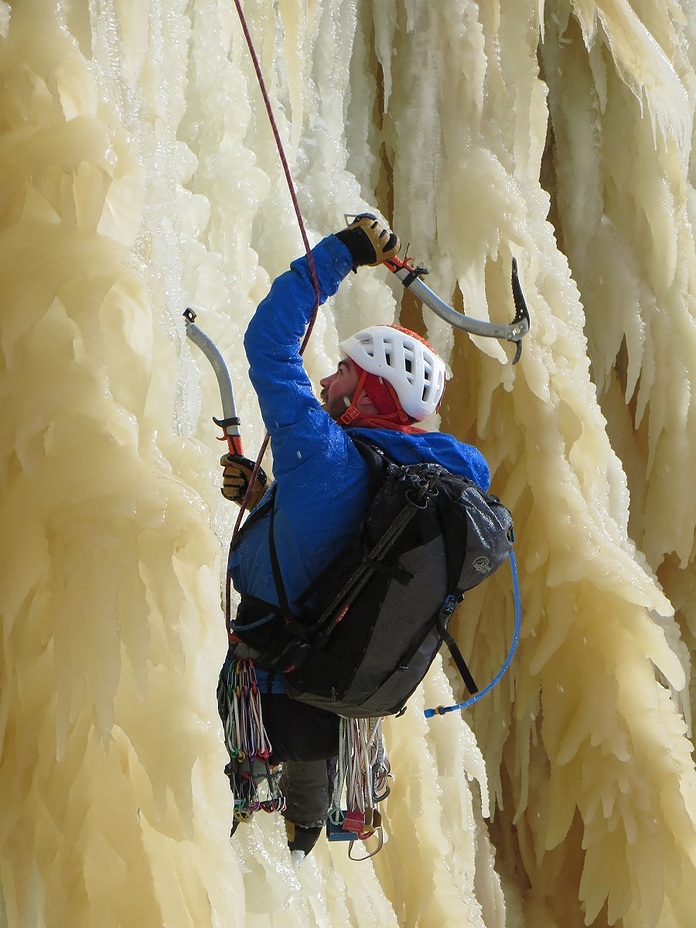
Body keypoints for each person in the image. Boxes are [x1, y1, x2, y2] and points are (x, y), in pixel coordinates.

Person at [218, 214, 491, 858]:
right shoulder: (405, 479)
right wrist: (267, 503)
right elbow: (336, 546)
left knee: (239, 837)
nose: (325, 381)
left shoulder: (326, 455)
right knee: (294, 841)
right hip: (336, 706)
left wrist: (346, 251)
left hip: (265, 694)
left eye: (341, 372)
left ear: (367, 388)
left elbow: (269, 342)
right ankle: (305, 834)